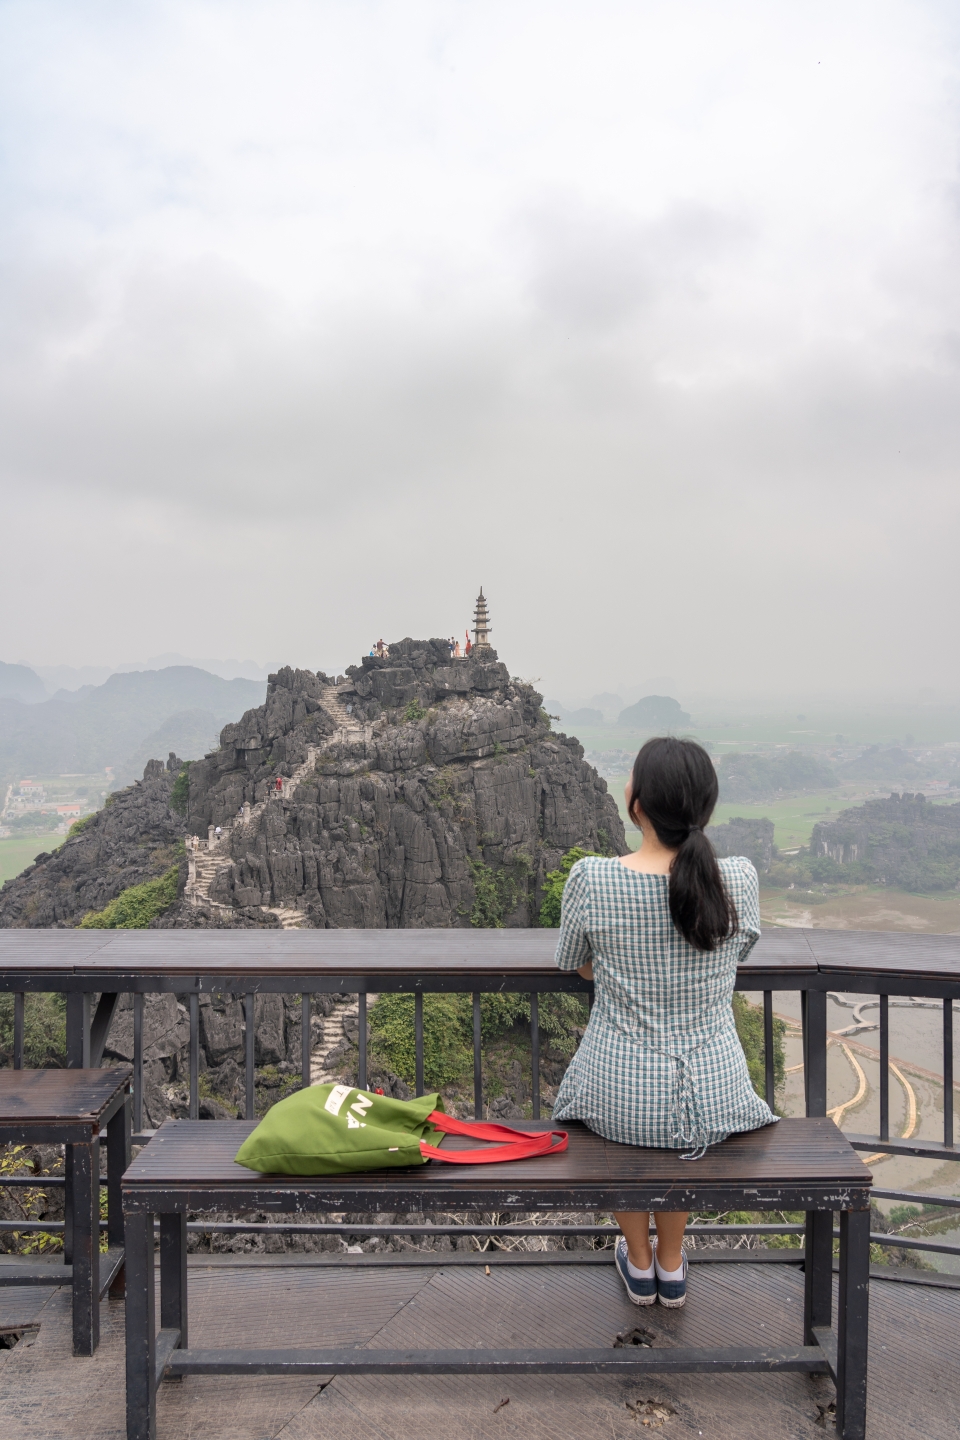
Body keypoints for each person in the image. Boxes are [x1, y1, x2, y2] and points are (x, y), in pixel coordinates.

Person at [552, 736, 775, 1311]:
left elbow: (577, 965)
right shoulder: (739, 880)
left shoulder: (593, 879)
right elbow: (734, 954)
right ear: (706, 806)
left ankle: (639, 1258)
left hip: (617, 1091)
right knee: (677, 1139)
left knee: (629, 1131)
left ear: (636, 802)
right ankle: (672, 1263)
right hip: (713, 1094)